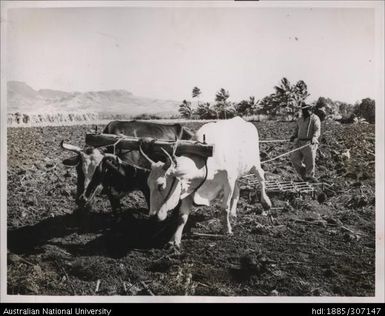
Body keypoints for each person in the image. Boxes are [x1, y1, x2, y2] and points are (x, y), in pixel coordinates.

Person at [289, 102, 321, 182]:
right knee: (294, 158)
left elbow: (317, 130)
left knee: (310, 161)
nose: (304, 111)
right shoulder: (300, 119)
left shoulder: (315, 118)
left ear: (310, 109)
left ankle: (310, 178)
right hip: (299, 142)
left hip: (309, 143)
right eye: (303, 110)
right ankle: (304, 173)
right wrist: (293, 136)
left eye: (306, 109)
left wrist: (314, 137)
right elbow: (297, 129)